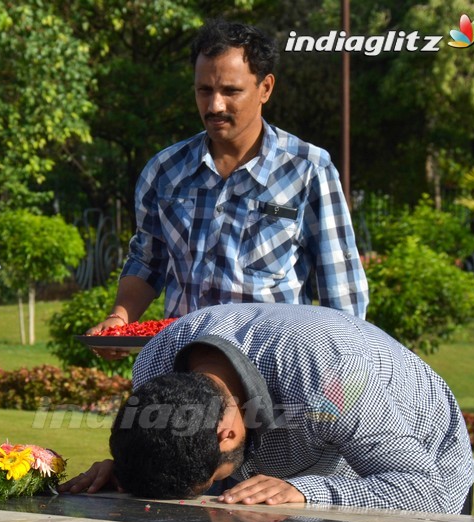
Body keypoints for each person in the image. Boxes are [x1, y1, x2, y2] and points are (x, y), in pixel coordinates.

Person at [90, 20, 368, 345]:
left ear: (265, 88)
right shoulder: (165, 172)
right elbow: (148, 260)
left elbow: (341, 287)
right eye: (204, 90)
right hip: (185, 364)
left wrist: (341, 370)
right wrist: (120, 319)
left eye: (230, 91)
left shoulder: (308, 170)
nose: (214, 106)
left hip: (272, 370)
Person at [62, 303, 474, 515]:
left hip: (407, 465)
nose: (211, 487)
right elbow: (174, 442)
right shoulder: (155, 362)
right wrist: (136, 465)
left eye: (211, 478)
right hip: (303, 460)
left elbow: (426, 491)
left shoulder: (326, 374)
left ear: (227, 432)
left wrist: (308, 490)